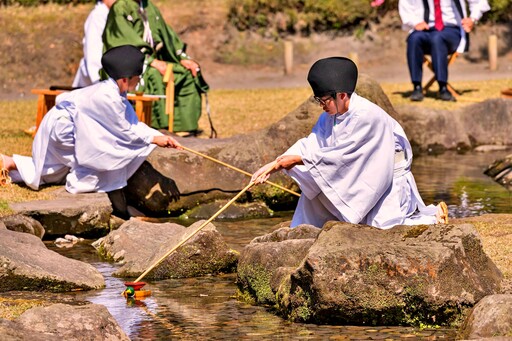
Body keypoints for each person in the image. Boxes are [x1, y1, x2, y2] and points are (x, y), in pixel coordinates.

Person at [251, 57, 449, 229]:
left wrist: (299, 160)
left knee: (381, 229)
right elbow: (313, 145)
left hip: (385, 178)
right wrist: (275, 164)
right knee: (314, 197)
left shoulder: (368, 116)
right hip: (361, 173)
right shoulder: (330, 116)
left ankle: (432, 219)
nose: (321, 106)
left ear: (342, 95)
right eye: (318, 100)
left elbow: (345, 156)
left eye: (324, 100)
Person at [1, 45, 182, 219]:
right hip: (64, 130)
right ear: (125, 79)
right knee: (98, 158)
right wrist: (153, 138)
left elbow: (131, 122)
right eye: (137, 77)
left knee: (54, 170)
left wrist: (159, 136)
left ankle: (8, 162)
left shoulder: (115, 92)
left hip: (67, 126)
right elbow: (124, 131)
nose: (139, 81)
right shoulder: (107, 98)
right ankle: (100, 195)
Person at [102, 0, 209, 134]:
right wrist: (151, 60)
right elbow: (121, 40)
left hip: (154, 59)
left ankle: (184, 128)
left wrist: (182, 58)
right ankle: (159, 128)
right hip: (131, 63)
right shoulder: (120, 7)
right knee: (154, 75)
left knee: (186, 73)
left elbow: (167, 35)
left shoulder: (149, 6)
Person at [398, 0, 490, 102]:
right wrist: (414, 22)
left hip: (451, 30)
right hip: (427, 28)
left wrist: (473, 18)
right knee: (414, 39)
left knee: (437, 38)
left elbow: (479, 2)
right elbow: (405, 4)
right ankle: (417, 87)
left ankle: (443, 87)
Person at [73, 0, 117, 88]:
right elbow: (93, 53)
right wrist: (102, 83)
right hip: (92, 84)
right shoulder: (98, 16)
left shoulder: (114, 15)